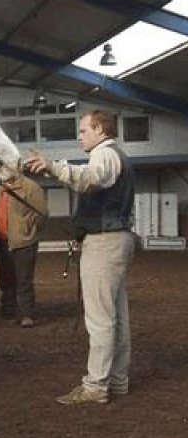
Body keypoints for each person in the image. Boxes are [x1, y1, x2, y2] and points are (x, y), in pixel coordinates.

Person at [25, 109, 135, 405]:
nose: (80, 135)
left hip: (104, 241)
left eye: (84, 130)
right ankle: (117, 380)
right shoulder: (116, 155)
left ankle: (96, 386)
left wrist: (54, 167)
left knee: (100, 318)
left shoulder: (104, 155)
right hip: (117, 238)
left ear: (100, 130)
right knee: (116, 316)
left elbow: (91, 179)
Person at [0, 173, 48, 328]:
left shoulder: (31, 187)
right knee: (6, 278)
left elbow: (42, 213)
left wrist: (29, 230)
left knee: (24, 279)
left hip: (24, 242)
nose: (2, 172)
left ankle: (26, 314)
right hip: (4, 241)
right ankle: (8, 311)